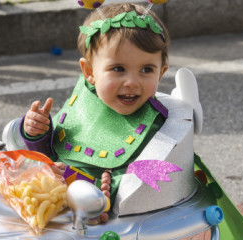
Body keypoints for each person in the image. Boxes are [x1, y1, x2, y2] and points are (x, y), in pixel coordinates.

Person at [20, 2, 169, 223]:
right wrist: (37, 132)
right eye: (118, 69)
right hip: (44, 194)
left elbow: (142, 181)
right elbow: (51, 151)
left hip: (95, 214)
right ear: (89, 72)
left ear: (161, 73)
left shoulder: (152, 124)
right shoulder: (87, 98)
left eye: (146, 69)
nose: (131, 82)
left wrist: (106, 191)